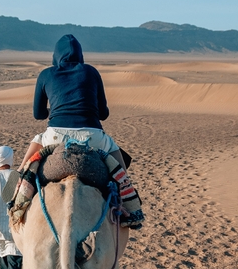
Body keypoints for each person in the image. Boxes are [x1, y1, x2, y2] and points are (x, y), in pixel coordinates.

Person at [18, 34, 144, 228]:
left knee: (32, 154)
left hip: (55, 136)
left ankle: (18, 193)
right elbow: (103, 114)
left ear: (55, 55)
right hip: (91, 136)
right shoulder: (91, 72)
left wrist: (58, 110)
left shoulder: (46, 74)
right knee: (116, 157)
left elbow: (38, 114)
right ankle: (127, 203)